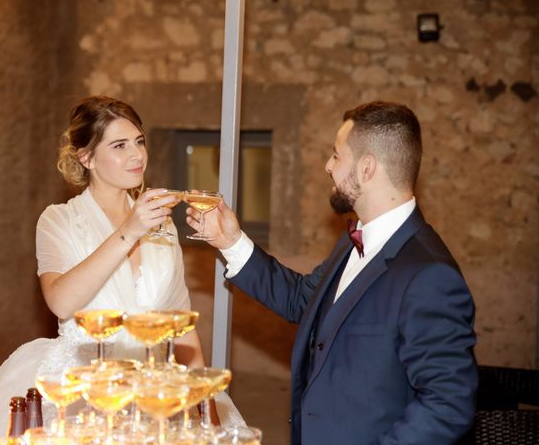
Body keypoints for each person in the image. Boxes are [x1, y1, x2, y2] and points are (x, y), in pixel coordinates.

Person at [186, 101, 478, 444]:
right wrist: (231, 241)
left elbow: (448, 404)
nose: (327, 166)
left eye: (336, 156)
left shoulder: (429, 274)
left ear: (367, 169)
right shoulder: (351, 241)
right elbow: (300, 299)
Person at [0, 96, 243, 443]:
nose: (137, 155)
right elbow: (62, 303)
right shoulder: (59, 220)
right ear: (86, 157)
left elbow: (181, 324)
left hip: (153, 389)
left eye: (139, 141)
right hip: (83, 387)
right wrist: (130, 230)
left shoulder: (163, 224)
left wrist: (207, 412)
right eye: (119, 145)